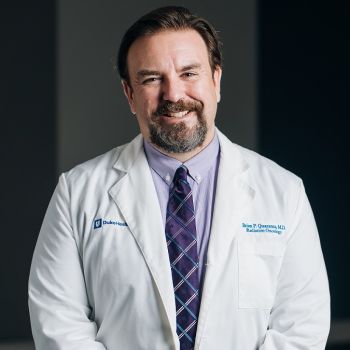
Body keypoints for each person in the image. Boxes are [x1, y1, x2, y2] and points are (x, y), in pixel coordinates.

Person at [28, 6, 330, 350]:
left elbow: (302, 326)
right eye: (152, 78)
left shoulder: (284, 191)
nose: (173, 94)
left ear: (216, 81)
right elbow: (58, 323)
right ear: (129, 94)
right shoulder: (77, 192)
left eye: (189, 73)